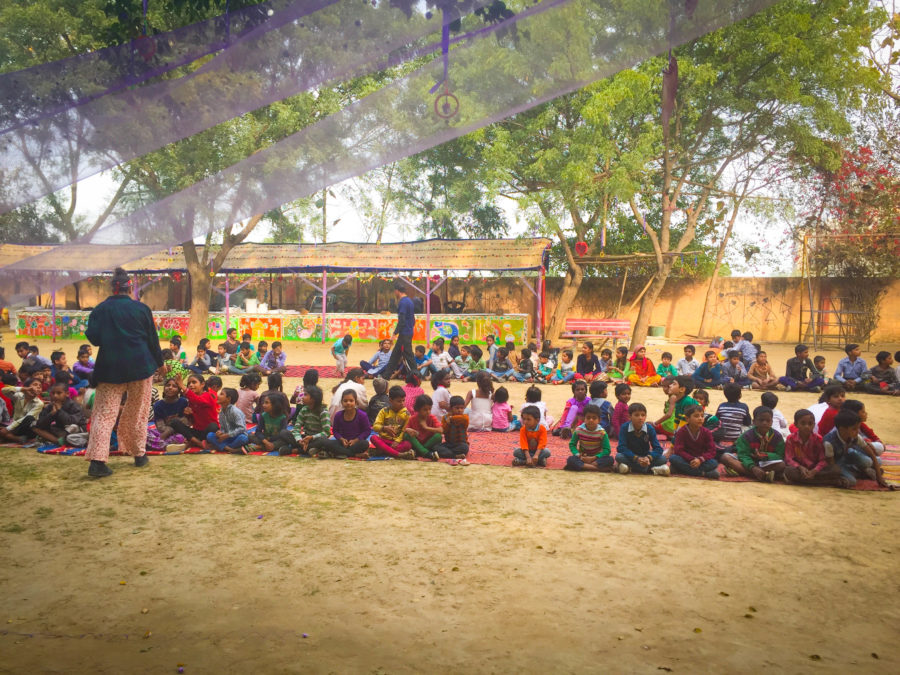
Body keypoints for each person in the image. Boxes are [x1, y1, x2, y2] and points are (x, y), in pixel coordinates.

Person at [82, 268, 164, 477]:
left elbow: (94, 339)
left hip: (109, 368)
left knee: (104, 413)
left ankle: (97, 462)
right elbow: (152, 339)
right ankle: (139, 455)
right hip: (141, 366)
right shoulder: (142, 309)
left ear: (112, 287)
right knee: (139, 411)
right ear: (130, 288)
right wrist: (160, 362)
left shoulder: (100, 310)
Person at [823, 409, 888, 488]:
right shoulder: (829, 442)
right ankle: (860, 472)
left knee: (875, 461)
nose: (858, 432)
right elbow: (832, 465)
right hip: (837, 462)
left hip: (848, 455)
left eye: (858, 428)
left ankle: (859, 471)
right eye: (854, 429)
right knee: (851, 481)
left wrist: (879, 477)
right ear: (842, 429)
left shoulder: (855, 436)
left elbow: (871, 454)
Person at [783, 409, 846, 487]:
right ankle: (828, 482)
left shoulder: (818, 439)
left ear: (814, 424)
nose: (807, 426)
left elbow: (823, 460)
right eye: (803, 423)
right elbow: (788, 458)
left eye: (810, 424)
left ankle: (805, 481)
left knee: (835, 469)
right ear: (796, 424)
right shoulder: (791, 439)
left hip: (816, 469)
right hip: (799, 470)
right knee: (788, 471)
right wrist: (800, 467)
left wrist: (815, 471)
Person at [722, 406, 785, 482]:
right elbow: (743, 455)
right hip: (748, 462)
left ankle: (748, 473)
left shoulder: (777, 436)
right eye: (761, 420)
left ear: (772, 422)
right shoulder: (746, 436)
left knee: (781, 465)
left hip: (766, 463)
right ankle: (760, 474)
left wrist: (765, 455)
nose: (764, 423)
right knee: (725, 457)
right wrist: (753, 467)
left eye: (768, 421)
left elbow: (780, 455)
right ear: (754, 421)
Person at [167, 373, 219, 448]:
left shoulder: (208, 395)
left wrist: (182, 386)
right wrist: (188, 414)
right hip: (197, 431)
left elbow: (198, 400)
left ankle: (194, 442)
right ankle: (198, 442)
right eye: (189, 383)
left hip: (208, 431)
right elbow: (192, 421)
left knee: (213, 426)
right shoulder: (191, 399)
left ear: (202, 384)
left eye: (194, 382)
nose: (190, 385)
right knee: (174, 422)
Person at [616, 402, 669, 475]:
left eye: (643, 415)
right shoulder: (624, 428)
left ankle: (629, 468)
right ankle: (650, 470)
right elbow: (621, 447)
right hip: (631, 456)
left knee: (663, 459)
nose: (640, 418)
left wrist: (648, 458)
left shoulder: (649, 429)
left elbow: (658, 449)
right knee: (619, 456)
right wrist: (637, 458)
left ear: (646, 416)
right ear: (629, 416)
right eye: (636, 415)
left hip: (645, 456)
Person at [669, 405, 720, 479]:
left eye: (702, 416)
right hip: (687, 459)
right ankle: (703, 473)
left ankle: (682, 470)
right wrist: (692, 459)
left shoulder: (706, 432)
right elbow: (678, 450)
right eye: (696, 416)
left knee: (714, 463)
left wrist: (700, 459)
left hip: (701, 461)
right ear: (687, 419)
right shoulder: (681, 432)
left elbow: (712, 451)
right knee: (673, 458)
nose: (700, 418)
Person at [381, 280, 418, 379]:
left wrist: (395, 333)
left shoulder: (402, 302)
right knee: (396, 355)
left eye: (395, 291)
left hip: (404, 333)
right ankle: (386, 376)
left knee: (408, 355)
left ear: (397, 291)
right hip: (408, 332)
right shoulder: (409, 301)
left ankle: (416, 375)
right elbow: (413, 319)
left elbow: (401, 320)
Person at [322, 389, 372, 459]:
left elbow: (367, 431)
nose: (348, 403)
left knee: (365, 443)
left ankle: (340, 453)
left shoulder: (362, 415)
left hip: (356, 443)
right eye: (345, 401)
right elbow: (335, 431)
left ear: (356, 402)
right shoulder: (338, 415)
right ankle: (355, 455)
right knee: (327, 443)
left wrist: (356, 440)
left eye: (351, 401)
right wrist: (341, 439)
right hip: (342, 443)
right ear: (341, 402)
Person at [564, 403, 613, 472]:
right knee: (571, 459)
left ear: (599, 420)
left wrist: (593, 458)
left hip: (596, 458)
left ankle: (584, 466)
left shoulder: (602, 433)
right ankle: (596, 468)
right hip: (582, 457)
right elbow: (572, 444)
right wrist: (577, 454)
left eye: (594, 418)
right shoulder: (578, 430)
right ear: (584, 419)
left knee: (610, 459)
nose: (591, 420)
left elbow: (607, 450)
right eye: (588, 417)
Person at [371, 386, 415, 459]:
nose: (402, 403)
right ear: (390, 400)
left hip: (398, 442)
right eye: (399, 401)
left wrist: (397, 441)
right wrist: (384, 428)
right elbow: (375, 426)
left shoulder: (406, 414)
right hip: (384, 440)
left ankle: (383, 451)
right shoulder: (384, 411)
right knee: (373, 438)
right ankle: (399, 454)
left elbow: (404, 430)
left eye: (403, 400)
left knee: (408, 444)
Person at [205, 388, 249, 453]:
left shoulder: (235, 411)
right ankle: (231, 449)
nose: (218, 396)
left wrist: (227, 435)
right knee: (210, 435)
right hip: (226, 438)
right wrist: (220, 433)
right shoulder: (221, 412)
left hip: (236, 437)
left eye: (221, 394)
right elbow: (223, 429)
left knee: (243, 438)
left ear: (228, 399)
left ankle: (223, 447)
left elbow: (242, 428)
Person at [291, 384, 331, 456]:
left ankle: (300, 450)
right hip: (305, 438)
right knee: (284, 433)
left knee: (324, 441)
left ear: (313, 399)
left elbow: (327, 433)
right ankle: (309, 448)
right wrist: (299, 440)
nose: (302, 397)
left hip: (316, 439)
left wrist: (312, 437)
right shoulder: (304, 410)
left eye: (305, 395)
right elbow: (296, 429)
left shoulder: (323, 412)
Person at [404, 394, 442, 461]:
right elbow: (405, 430)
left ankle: (420, 451)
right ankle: (426, 453)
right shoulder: (412, 419)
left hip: (428, 443)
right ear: (418, 409)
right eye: (425, 410)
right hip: (417, 443)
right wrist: (408, 430)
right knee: (406, 435)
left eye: (429, 409)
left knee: (438, 436)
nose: (428, 412)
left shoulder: (432, 418)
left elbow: (441, 430)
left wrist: (426, 427)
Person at [435, 395, 470, 464]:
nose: (460, 410)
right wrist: (448, 423)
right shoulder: (445, 418)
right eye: (457, 408)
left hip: (460, 444)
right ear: (451, 408)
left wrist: (451, 418)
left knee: (465, 448)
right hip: (449, 444)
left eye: (462, 408)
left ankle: (449, 454)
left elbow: (465, 419)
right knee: (436, 447)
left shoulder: (464, 417)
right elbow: (444, 431)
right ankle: (455, 456)